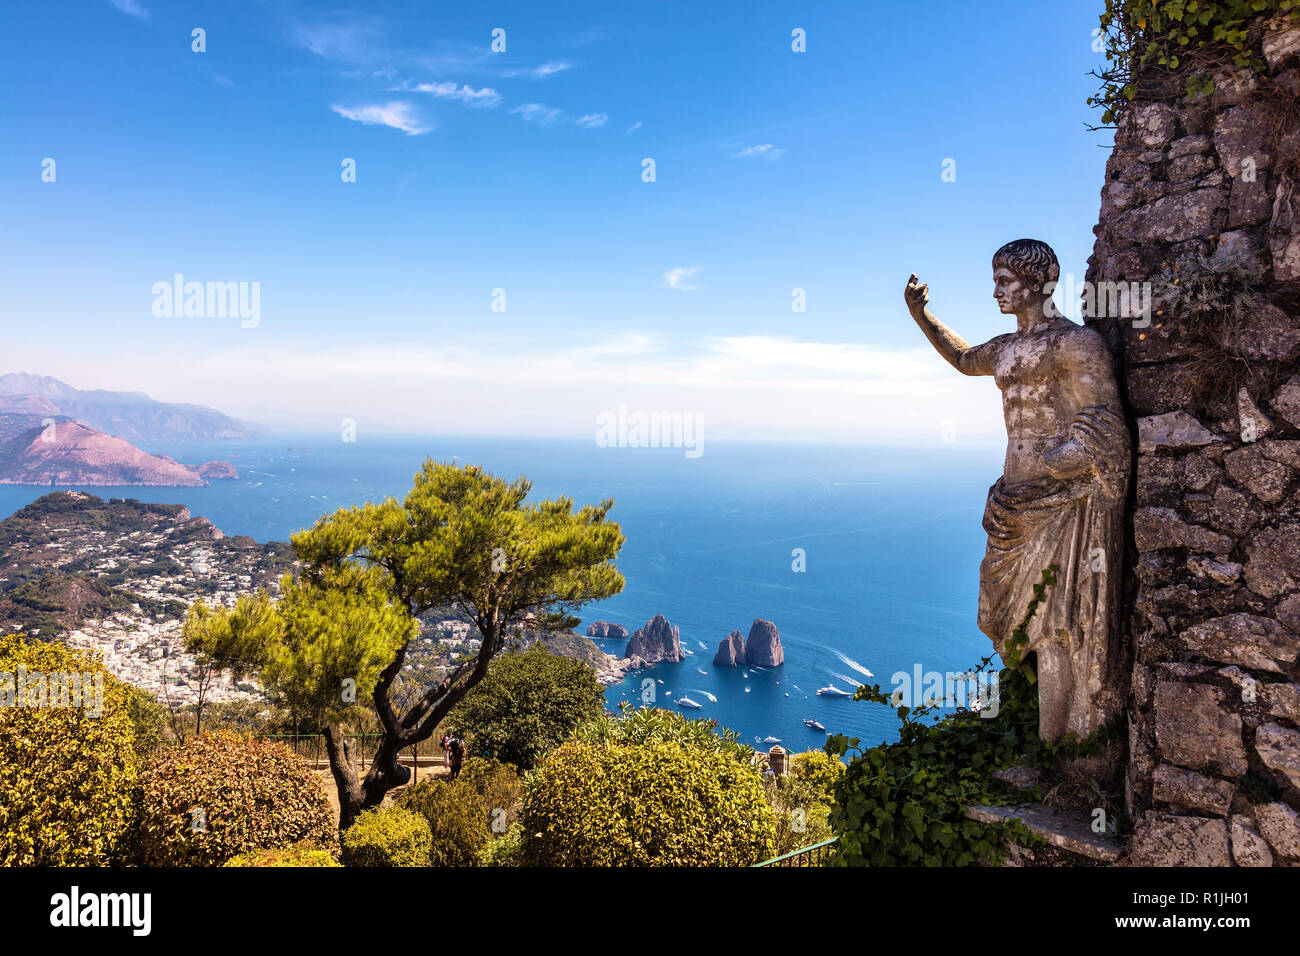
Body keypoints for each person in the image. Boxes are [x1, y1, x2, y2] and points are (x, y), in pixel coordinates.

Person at [905, 239, 1130, 741]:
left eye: (1003, 282)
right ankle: (1049, 746)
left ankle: (1066, 747)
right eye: (995, 281)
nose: (995, 292)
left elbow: (1104, 422)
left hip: (1063, 502)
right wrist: (921, 316)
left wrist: (1062, 459)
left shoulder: (1076, 344)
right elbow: (964, 357)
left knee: (1059, 625)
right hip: (1014, 504)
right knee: (1021, 619)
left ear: (1038, 281)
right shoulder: (1007, 350)